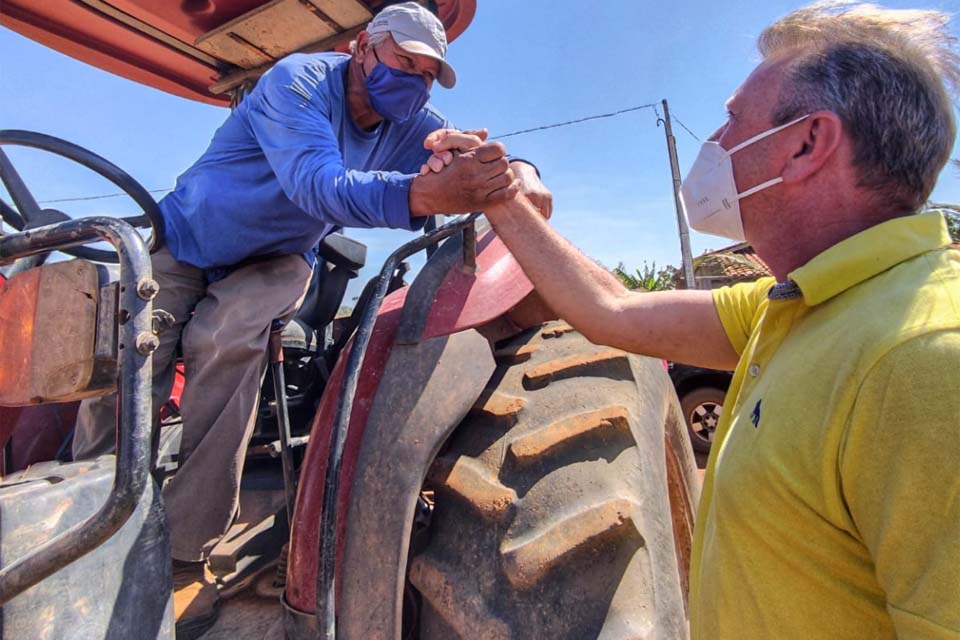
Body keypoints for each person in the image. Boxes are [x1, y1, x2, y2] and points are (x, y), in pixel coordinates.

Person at [428, 2, 960, 637]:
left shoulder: (924, 359)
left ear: (808, 143)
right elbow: (612, 310)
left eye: (733, 119)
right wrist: (503, 196)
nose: (716, 141)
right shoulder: (799, 305)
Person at [70, 2, 542, 635]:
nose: (417, 82)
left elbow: (469, 152)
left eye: (429, 74)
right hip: (188, 239)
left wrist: (517, 172)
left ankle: (184, 548)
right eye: (406, 62)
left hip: (275, 258)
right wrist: (425, 193)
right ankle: (85, 516)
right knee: (132, 350)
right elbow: (318, 185)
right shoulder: (297, 82)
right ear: (361, 48)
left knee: (228, 339)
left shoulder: (410, 121)